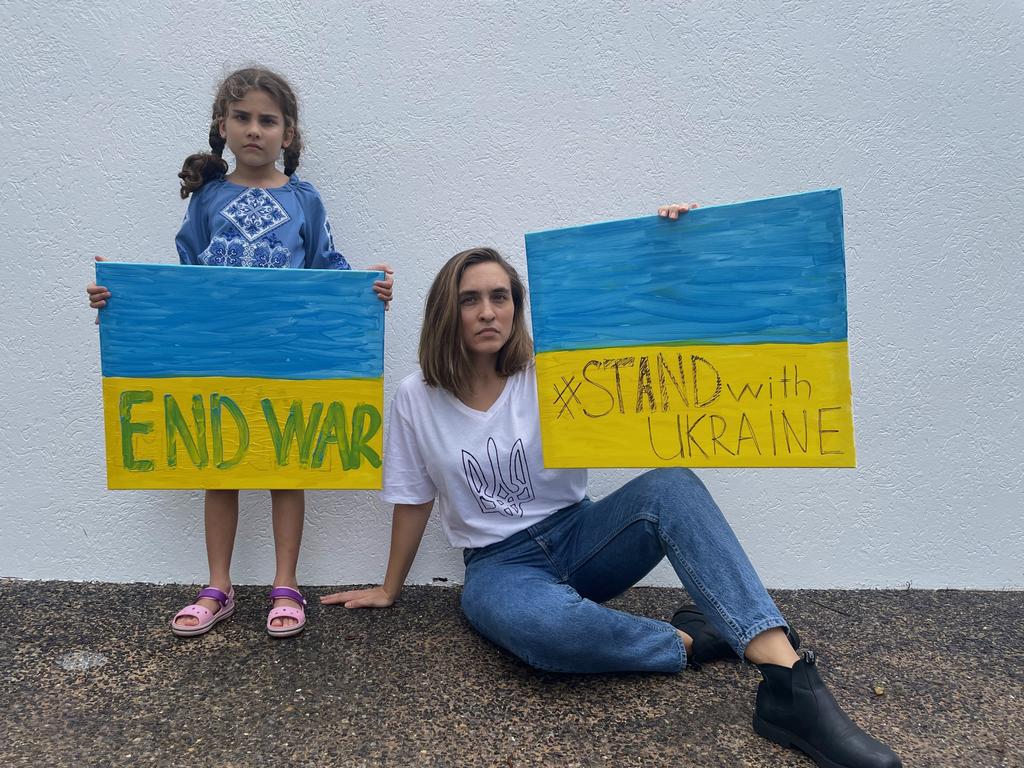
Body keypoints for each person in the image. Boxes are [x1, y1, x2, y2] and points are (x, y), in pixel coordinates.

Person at [322, 223, 901, 768]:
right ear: (447, 310)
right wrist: (389, 587)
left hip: (581, 535)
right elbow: (413, 495)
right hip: (499, 566)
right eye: (471, 299)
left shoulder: (551, 369)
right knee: (542, 631)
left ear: (517, 307)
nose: (487, 311)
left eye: (501, 296)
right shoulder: (416, 396)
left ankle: (789, 681)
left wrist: (677, 243)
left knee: (671, 484)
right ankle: (692, 638)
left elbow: (652, 325)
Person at [86, 66, 394, 639]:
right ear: (222, 126)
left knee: (286, 467)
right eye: (243, 117)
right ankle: (218, 586)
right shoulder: (208, 198)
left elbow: (328, 267)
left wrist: (366, 289)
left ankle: (285, 584)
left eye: (268, 120)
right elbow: (184, 280)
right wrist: (123, 299)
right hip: (219, 358)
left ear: (289, 132)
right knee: (218, 467)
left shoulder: (306, 199)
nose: (255, 129)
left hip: (287, 359)